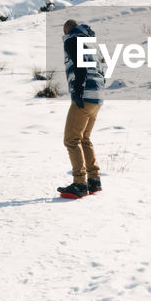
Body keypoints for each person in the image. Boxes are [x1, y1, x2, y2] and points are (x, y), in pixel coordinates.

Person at [57, 18, 104, 199]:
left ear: (67, 30)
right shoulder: (91, 44)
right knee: (84, 138)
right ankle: (94, 180)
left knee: (71, 140)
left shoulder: (72, 39)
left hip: (84, 96)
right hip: (97, 97)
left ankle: (79, 183)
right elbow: (101, 68)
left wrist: (78, 91)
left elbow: (79, 66)